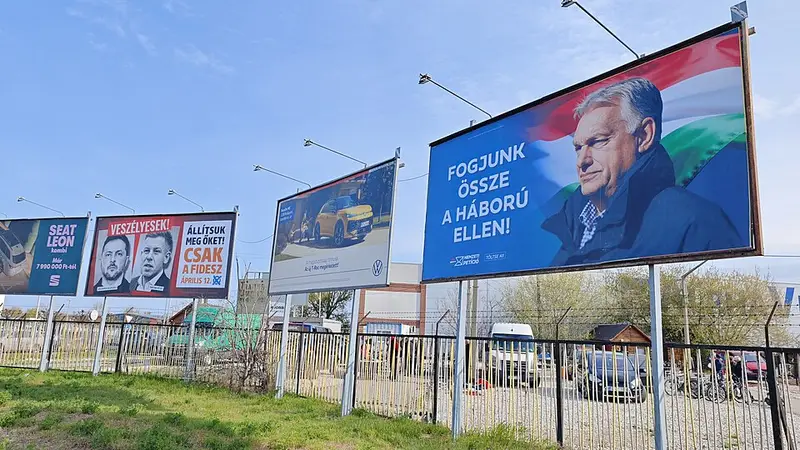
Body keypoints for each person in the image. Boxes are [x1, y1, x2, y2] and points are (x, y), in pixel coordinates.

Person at [542, 77, 742, 267]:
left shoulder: (695, 221)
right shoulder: (574, 229)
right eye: (578, 148)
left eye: (598, 141)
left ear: (645, 136)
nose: (582, 161)